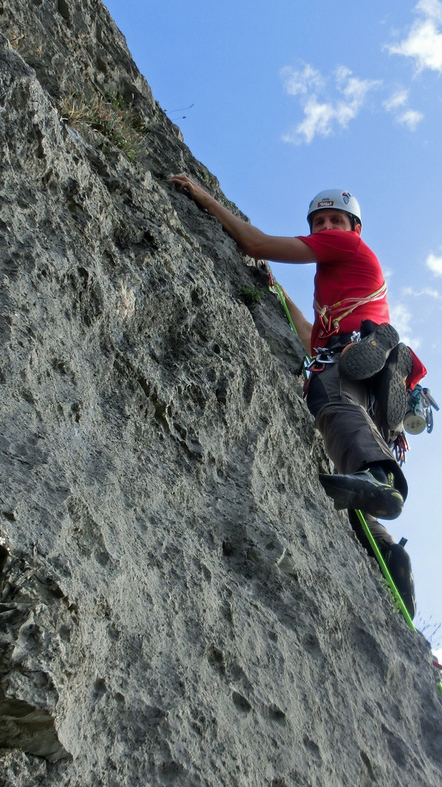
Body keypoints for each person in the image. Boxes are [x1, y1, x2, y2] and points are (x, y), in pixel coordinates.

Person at [168, 176, 420, 616]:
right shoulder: (334, 287)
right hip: (362, 367)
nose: (325, 226)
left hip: (355, 355)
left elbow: (254, 242)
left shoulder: (347, 249)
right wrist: (278, 292)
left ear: (353, 229)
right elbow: (311, 337)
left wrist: (201, 197)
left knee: (328, 396)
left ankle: (381, 478)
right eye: (318, 220)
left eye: (335, 220)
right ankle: (387, 556)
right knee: (342, 447)